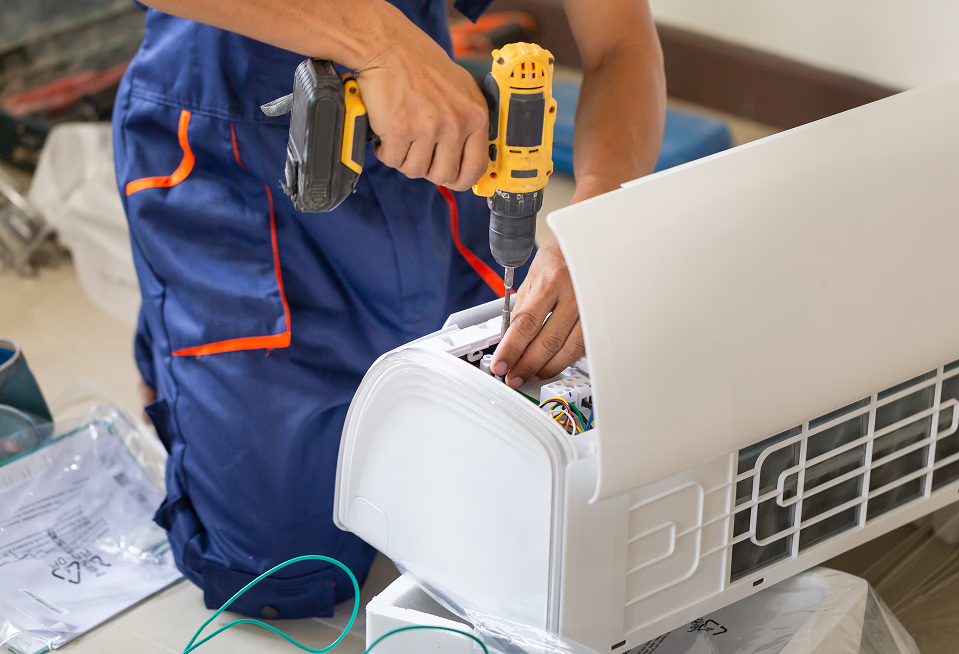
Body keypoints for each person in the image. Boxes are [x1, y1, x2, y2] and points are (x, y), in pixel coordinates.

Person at [114, 0, 664, 618]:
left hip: (417, 151)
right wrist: (378, 40)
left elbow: (621, 45)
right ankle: (178, 331)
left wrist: (593, 227)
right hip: (231, 151)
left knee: (531, 499)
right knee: (281, 575)